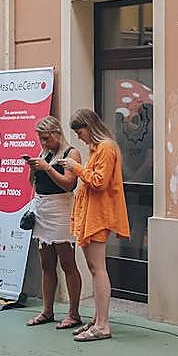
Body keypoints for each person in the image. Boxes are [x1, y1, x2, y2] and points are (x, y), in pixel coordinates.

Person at [64, 108, 130, 343]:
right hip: (92, 213)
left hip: (98, 215)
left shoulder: (106, 148)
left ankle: (103, 324)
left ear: (89, 127)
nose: (79, 138)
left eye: (80, 132)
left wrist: (76, 168)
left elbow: (100, 182)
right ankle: (98, 318)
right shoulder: (98, 149)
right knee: (94, 268)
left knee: (98, 268)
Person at [24, 116, 83, 329]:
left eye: (47, 139)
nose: (44, 144)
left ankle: (73, 313)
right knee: (46, 264)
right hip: (42, 208)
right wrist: (33, 168)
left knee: (67, 262)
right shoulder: (44, 153)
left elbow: (69, 184)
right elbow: (32, 183)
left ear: (57, 134)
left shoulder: (71, 153)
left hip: (61, 208)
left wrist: (48, 168)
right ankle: (47, 310)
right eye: (41, 140)